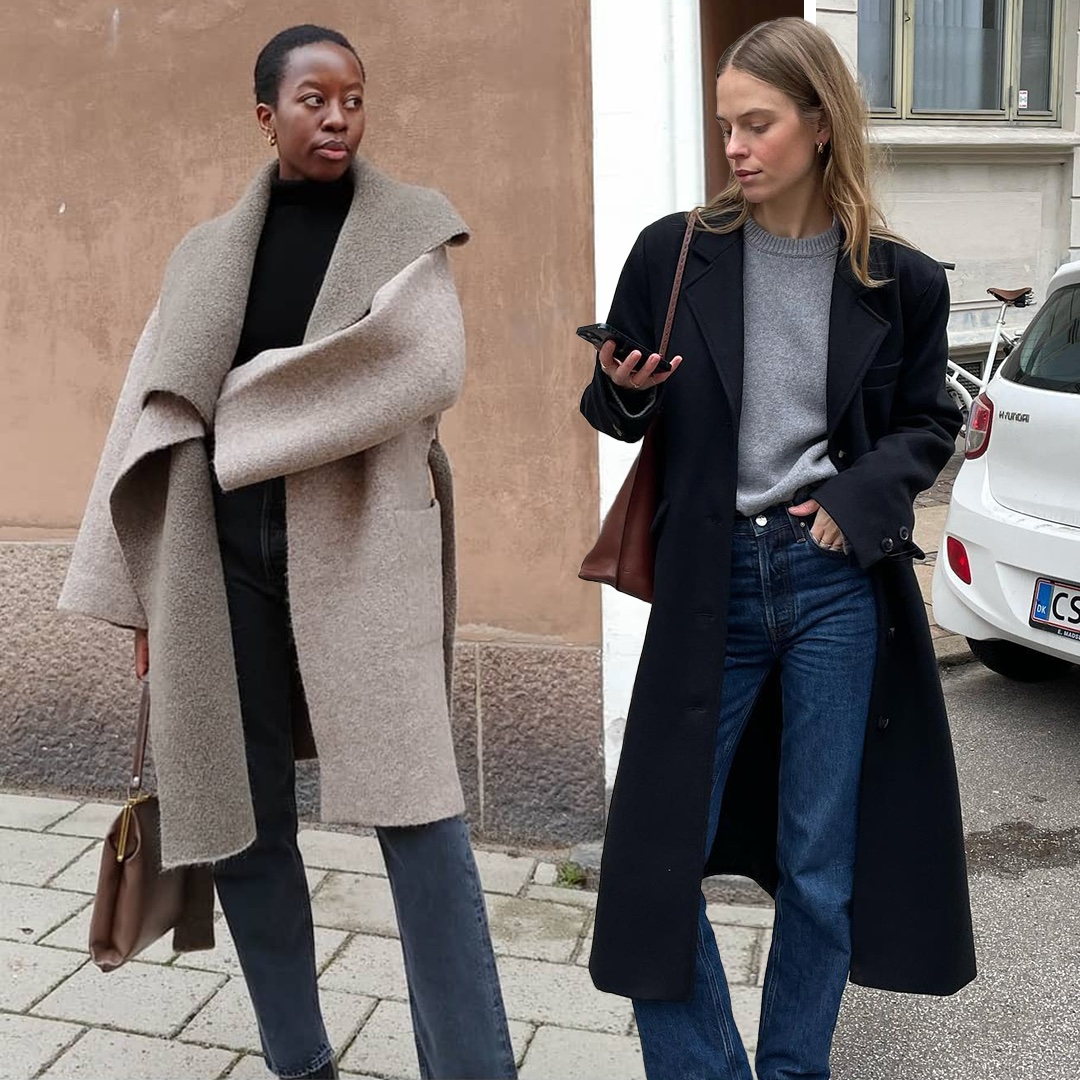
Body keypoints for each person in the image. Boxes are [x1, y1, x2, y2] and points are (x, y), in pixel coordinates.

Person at [59, 24, 516, 1080]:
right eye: (315, 100)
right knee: (243, 817)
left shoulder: (408, 227)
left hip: (365, 548)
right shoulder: (206, 252)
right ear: (267, 115)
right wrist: (141, 600)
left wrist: (230, 412)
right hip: (215, 561)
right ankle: (299, 1060)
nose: (339, 118)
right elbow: (148, 412)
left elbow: (416, 367)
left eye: (353, 97)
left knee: (421, 817)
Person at [580, 18, 976, 1080]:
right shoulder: (675, 253)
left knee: (819, 865)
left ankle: (797, 1067)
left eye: (757, 124)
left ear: (820, 122)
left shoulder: (900, 280)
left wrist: (857, 496)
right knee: (656, 857)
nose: (736, 148)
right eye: (725, 127)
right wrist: (623, 389)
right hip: (711, 578)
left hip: (834, 583)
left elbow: (927, 423)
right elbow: (612, 409)